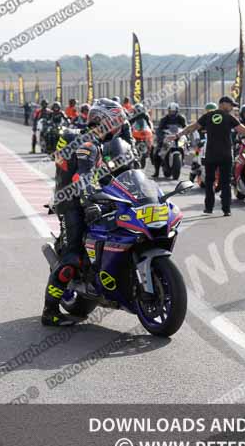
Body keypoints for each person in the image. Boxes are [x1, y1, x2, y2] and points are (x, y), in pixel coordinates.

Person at [41, 98, 130, 326]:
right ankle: (49, 311)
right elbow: (81, 178)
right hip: (71, 204)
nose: (118, 128)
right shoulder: (88, 144)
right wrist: (88, 202)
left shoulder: (92, 141)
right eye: (115, 123)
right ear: (103, 121)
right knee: (72, 259)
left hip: (85, 198)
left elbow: (100, 175)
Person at [179, 96, 245, 216]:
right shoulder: (229, 118)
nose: (232, 108)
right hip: (225, 155)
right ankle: (226, 210)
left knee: (210, 182)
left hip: (211, 155)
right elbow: (244, 130)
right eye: (231, 105)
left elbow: (192, 127)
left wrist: (177, 135)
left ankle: (209, 208)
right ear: (223, 104)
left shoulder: (208, 116)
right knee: (225, 183)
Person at [152, 102, 187, 179]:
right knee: (157, 152)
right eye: (171, 111)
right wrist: (162, 137)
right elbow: (159, 130)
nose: (172, 113)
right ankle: (156, 171)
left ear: (177, 111)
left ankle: (183, 158)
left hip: (178, 137)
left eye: (174, 111)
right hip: (168, 138)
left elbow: (186, 128)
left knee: (186, 144)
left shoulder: (181, 118)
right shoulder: (164, 119)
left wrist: (186, 135)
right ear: (168, 111)